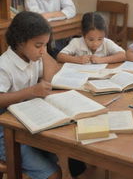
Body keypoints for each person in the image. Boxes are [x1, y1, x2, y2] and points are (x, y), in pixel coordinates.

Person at [0, 11, 85, 179]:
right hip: (4, 131)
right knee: (53, 174)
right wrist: (31, 91)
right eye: (38, 45)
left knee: (62, 149)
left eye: (46, 44)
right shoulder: (4, 65)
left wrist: (42, 51)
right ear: (19, 42)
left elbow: (51, 74)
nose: (42, 51)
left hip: (25, 122)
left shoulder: (32, 57)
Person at [57, 12, 126, 64]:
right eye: (91, 39)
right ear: (83, 34)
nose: (95, 43)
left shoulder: (106, 43)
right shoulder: (76, 42)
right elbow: (60, 56)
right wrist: (77, 60)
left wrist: (102, 60)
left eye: (100, 39)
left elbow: (123, 55)